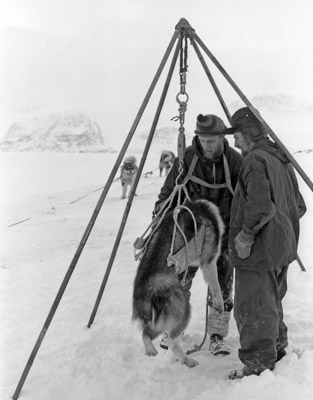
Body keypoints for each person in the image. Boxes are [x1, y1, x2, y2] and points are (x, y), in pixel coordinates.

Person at [224, 107, 306, 379]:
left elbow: (260, 206)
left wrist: (246, 236)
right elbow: (299, 205)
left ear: (247, 134)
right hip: (281, 247)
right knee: (272, 302)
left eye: (236, 135)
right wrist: (281, 230)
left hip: (259, 252)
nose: (234, 143)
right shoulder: (279, 158)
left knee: (254, 306)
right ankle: (277, 349)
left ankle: (258, 366)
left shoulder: (255, 159)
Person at [153, 113, 243, 355]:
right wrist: (159, 217)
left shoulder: (235, 161)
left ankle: (217, 335)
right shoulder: (188, 159)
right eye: (203, 140)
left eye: (212, 140)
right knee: (181, 280)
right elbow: (169, 191)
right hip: (191, 231)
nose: (207, 145)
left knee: (222, 284)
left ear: (222, 138)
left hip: (222, 233)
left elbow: (244, 198)